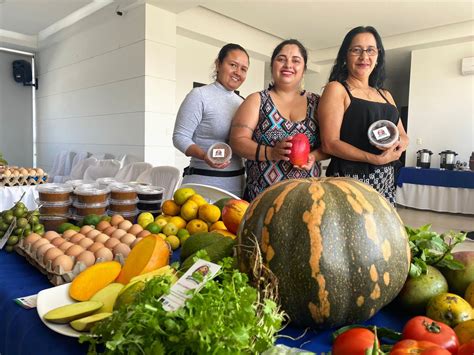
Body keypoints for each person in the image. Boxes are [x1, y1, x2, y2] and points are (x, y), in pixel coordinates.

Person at [318, 26, 409, 206]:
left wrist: (398, 146)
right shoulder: (337, 89)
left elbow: (403, 135)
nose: (364, 56)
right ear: (345, 55)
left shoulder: (385, 94)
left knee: (381, 233)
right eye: (356, 50)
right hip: (349, 180)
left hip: (385, 178)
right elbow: (330, 143)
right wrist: (375, 159)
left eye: (370, 50)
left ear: (378, 56)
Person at [230, 39, 327, 201]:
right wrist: (271, 152)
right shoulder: (257, 100)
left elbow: (329, 145)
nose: (288, 65)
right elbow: (237, 141)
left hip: (307, 200)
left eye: (296, 60)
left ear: (304, 69)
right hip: (263, 200)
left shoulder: (317, 103)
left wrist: (313, 157)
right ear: (272, 66)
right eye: (281, 59)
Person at [173, 43, 249, 197]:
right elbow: (180, 137)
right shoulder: (199, 95)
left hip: (237, 185)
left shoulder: (243, 103)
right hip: (201, 186)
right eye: (233, 65)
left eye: (243, 69)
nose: (237, 72)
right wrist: (203, 155)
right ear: (218, 64)